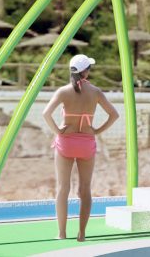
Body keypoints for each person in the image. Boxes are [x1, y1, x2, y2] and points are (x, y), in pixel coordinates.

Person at [41, 54, 119, 242]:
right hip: (86, 143)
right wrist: (96, 131)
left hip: (66, 142)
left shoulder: (63, 91)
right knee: (85, 190)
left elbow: (46, 114)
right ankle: (82, 234)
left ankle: (61, 233)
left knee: (63, 188)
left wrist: (57, 130)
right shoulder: (95, 92)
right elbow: (114, 115)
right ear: (85, 72)